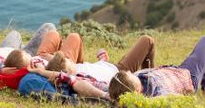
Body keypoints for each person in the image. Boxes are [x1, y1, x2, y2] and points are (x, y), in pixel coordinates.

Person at [26, 35, 156, 98]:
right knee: (147, 41)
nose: (69, 59)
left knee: (74, 37)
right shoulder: (79, 78)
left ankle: (149, 72)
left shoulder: (78, 67)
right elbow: (60, 76)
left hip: (108, 65)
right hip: (121, 71)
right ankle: (151, 74)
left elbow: (96, 67)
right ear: (66, 72)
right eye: (67, 61)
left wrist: (102, 59)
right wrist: (40, 71)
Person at [108, 35, 205, 100]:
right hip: (188, 77)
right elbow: (173, 99)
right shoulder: (159, 93)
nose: (129, 71)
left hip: (172, 71)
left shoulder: (124, 88)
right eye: (130, 74)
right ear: (137, 90)